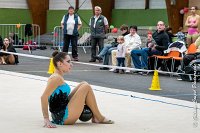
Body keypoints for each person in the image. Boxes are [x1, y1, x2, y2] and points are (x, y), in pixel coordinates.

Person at [41, 51, 114, 128]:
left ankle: (96, 116)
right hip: (63, 117)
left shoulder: (57, 77)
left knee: (83, 83)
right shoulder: (56, 78)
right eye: (68, 62)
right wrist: (46, 119)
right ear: (60, 64)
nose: (71, 65)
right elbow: (43, 97)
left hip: (60, 112)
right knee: (86, 86)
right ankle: (99, 117)